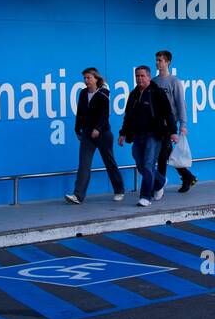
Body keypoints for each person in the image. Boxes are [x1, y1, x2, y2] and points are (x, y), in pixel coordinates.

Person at [118, 65, 177, 207]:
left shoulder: (157, 93)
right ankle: (160, 181)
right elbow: (128, 116)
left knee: (148, 164)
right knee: (141, 165)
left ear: (149, 77)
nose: (139, 78)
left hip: (154, 135)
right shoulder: (133, 94)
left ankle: (145, 196)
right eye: (137, 76)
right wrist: (123, 133)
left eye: (142, 76)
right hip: (137, 135)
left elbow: (168, 113)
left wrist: (173, 131)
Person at [65, 67, 125, 205]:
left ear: (96, 79)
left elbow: (105, 115)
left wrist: (98, 128)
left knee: (109, 162)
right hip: (87, 134)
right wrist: (77, 129)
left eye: (89, 78)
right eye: (84, 78)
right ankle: (78, 195)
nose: (86, 81)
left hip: (103, 134)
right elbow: (79, 112)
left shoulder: (103, 94)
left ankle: (119, 190)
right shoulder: (83, 93)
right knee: (84, 164)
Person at [153, 50, 197, 194]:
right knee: (167, 153)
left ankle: (159, 187)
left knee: (162, 155)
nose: (158, 62)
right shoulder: (154, 82)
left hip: (169, 124)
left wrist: (183, 125)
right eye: (157, 60)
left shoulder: (174, 82)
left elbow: (180, 104)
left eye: (160, 60)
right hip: (157, 124)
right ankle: (187, 176)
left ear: (167, 62)